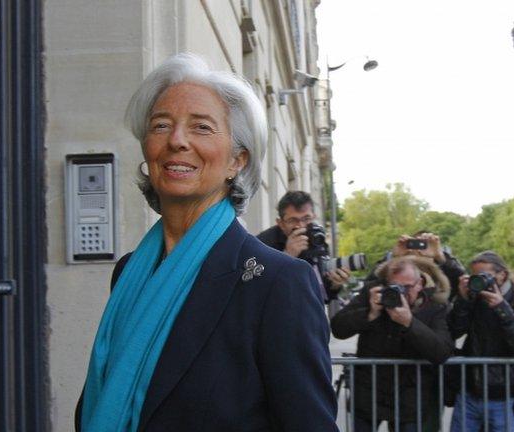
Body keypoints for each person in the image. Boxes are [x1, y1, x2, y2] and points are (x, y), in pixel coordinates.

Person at [75, 53, 337, 432]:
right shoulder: (130, 271)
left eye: (201, 127)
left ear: (237, 161)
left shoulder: (277, 282)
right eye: (161, 125)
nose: (177, 141)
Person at [331, 256, 453, 432]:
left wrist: (410, 323)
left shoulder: (434, 306)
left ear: (420, 284)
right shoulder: (372, 293)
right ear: (385, 284)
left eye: (407, 287)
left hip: (409, 398)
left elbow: (441, 352)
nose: (401, 292)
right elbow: (338, 329)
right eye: (395, 287)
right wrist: (370, 314)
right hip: (369, 393)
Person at [446, 251, 514, 432]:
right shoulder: (474, 301)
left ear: (502, 274)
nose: (480, 281)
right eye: (475, 276)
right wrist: (463, 300)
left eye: (485, 276)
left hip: (505, 394)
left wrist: (501, 308)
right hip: (470, 391)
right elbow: (453, 331)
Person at [256, 191, 351, 300]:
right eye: (293, 220)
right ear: (280, 223)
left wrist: (335, 284)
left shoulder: (317, 239)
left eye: (306, 219)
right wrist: (287, 256)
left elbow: (322, 295)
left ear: (313, 217)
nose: (301, 226)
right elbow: (258, 289)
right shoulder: (262, 244)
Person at [366, 232, 465, 300]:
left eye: (424, 246)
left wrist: (441, 258)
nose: (420, 253)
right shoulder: (395, 278)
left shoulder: (442, 283)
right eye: (415, 245)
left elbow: (462, 281)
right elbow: (368, 289)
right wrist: (393, 258)